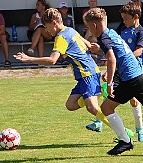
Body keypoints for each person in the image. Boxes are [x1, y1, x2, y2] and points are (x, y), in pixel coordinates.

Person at [15, 8, 133, 141]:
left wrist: (29, 59)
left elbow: (53, 60)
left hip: (87, 74)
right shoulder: (70, 30)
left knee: (92, 108)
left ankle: (123, 132)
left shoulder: (61, 37)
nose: (47, 31)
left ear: (54, 22)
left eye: (47, 27)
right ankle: (99, 92)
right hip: (85, 75)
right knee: (70, 105)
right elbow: (88, 44)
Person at [83, 5, 143, 155]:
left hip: (131, 79)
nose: (90, 31)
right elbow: (118, 52)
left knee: (106, 108)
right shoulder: (111, 33)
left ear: (94, 25)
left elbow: (112, 59)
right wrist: (99, 49)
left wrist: (110, 82)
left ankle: (125, 141)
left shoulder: (104, 37)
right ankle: (125, 140)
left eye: (89, 28)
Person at [86, 1, 143, 142]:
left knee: (134, 100)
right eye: (123, 18)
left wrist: (124, 57)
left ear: (136, 17)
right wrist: (101, 53)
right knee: (103, 91)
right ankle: (98, 121)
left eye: (126, 18)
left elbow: (138, 51)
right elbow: (112, 53)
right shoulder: (121, 31)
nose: (124, 21)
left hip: (133, 70)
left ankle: (140, 129)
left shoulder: (141, 32)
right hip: (120, 67)